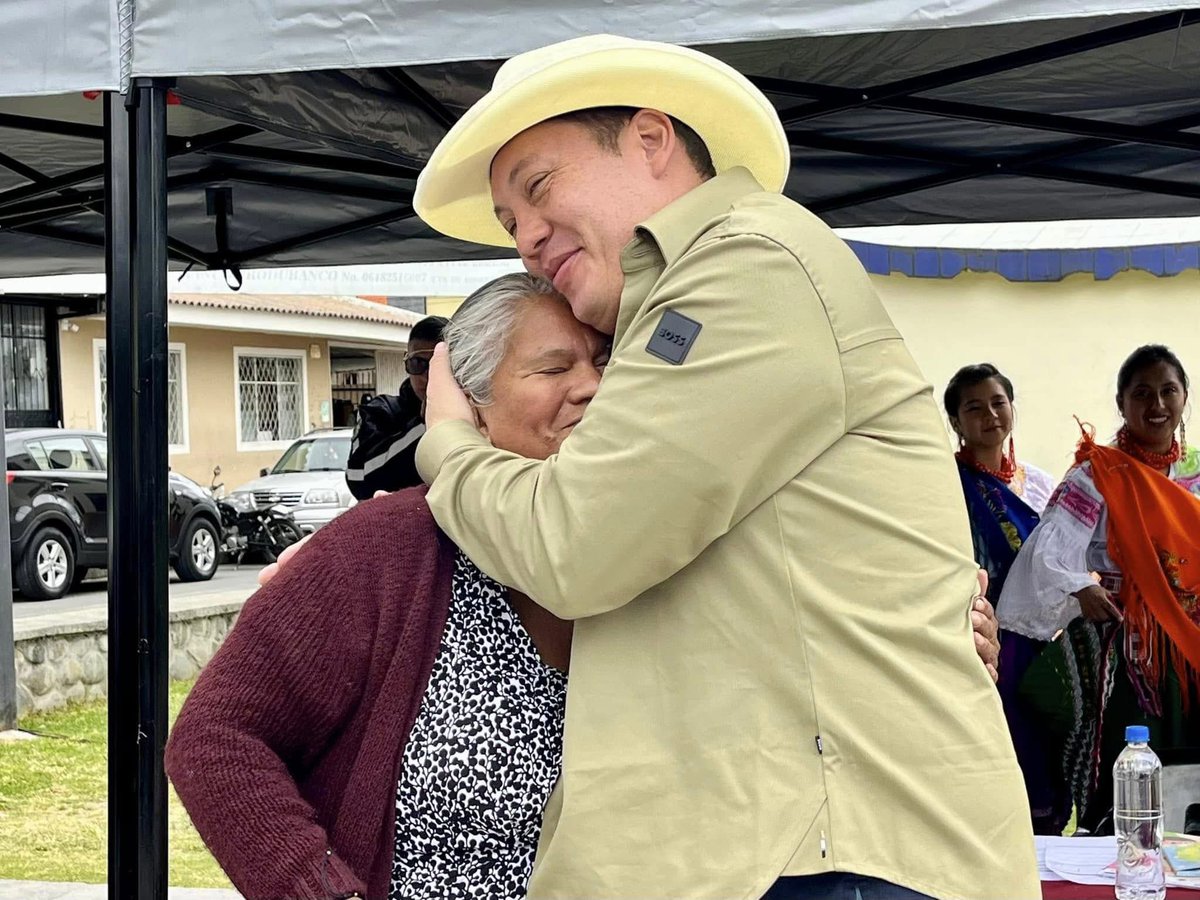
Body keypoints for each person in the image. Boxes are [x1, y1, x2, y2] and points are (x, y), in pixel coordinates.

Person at [408, 33, 1037, 899]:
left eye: (538, 188)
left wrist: (448, 447)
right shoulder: (690, 299)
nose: (525, 237)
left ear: (651, 138)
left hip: (826, 859)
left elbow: (577, 542)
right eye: (510, 222)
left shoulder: (744, 266)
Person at [167, 277, 602, 899]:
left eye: (605, 360)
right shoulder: (389, 545)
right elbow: (217, 738)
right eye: (554, 367)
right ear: (470, 405)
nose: (592, 385)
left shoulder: (649, 549)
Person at [999, 344, 1200, 834]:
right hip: (1133, 650)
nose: (1156, 404)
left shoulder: (1193, 476)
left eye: (1168, 391)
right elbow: (1049, 552)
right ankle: (1120, 860)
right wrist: (1078, 588)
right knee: (1132, 759)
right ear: (1121, 403)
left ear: (1184, 398)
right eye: (1142, 393)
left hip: (1191, 647)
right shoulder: (1097, 474)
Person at [943, 363, 1065, 833]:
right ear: (955, 422)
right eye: (974, 407)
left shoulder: (1038, 485)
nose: (990, 415)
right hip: (978, 639)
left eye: (998, 403)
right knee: (993, 746)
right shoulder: (946, 484)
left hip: (1036, 644)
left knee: (1040, 742)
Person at [345, 315, 448, 500]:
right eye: (417, 363)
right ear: (406, 362)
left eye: (438, 364)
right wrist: (426, 425)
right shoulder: (380, 411)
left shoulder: (477, 415)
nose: (427, 375)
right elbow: (358, 479)